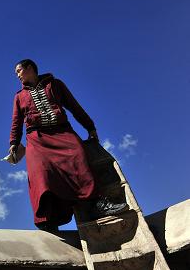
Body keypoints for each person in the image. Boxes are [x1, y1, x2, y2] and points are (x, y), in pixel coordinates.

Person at [8, 59, 127, 231]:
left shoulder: (55, 84)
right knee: (41, 173)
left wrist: (89, 126)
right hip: (37, 139)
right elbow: (16, 122)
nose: (18, 75)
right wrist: (13, 142)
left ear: (30, 68)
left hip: (62, 132)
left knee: (79, 156)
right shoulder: (19, 96)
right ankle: (50, 221)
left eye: (19, 71)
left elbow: (73, 106)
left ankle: (98, 204)